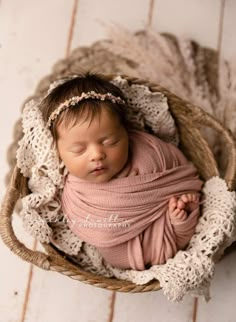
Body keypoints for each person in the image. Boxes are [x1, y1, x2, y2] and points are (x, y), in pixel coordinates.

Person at [40, 72, 203, 270]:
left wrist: (176, 215)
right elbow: (95, 231)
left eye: (109, 141)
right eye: (78, 150)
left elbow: (181, 174)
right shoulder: (75, 194)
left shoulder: (148, 151)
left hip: (166, 228)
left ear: (126, 133)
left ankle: (181, 225)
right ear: (58, 151)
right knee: (111, 245)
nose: (96, 155)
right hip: (122, 251)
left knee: (183, 209)